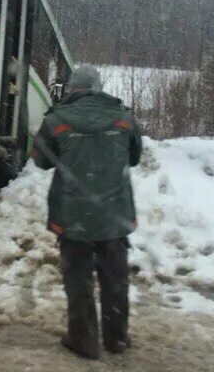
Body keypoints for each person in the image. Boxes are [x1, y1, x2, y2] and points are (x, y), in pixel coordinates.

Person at [31, 65, 142, 360]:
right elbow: (134, 158)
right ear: (100, 87)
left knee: (78, 279)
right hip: (113, 216)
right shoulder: (124, 119)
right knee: (115, 278)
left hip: (72, 216)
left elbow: (41, 161)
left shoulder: (56, 120)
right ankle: (116, 337)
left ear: (72, 89)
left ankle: (83, 339)